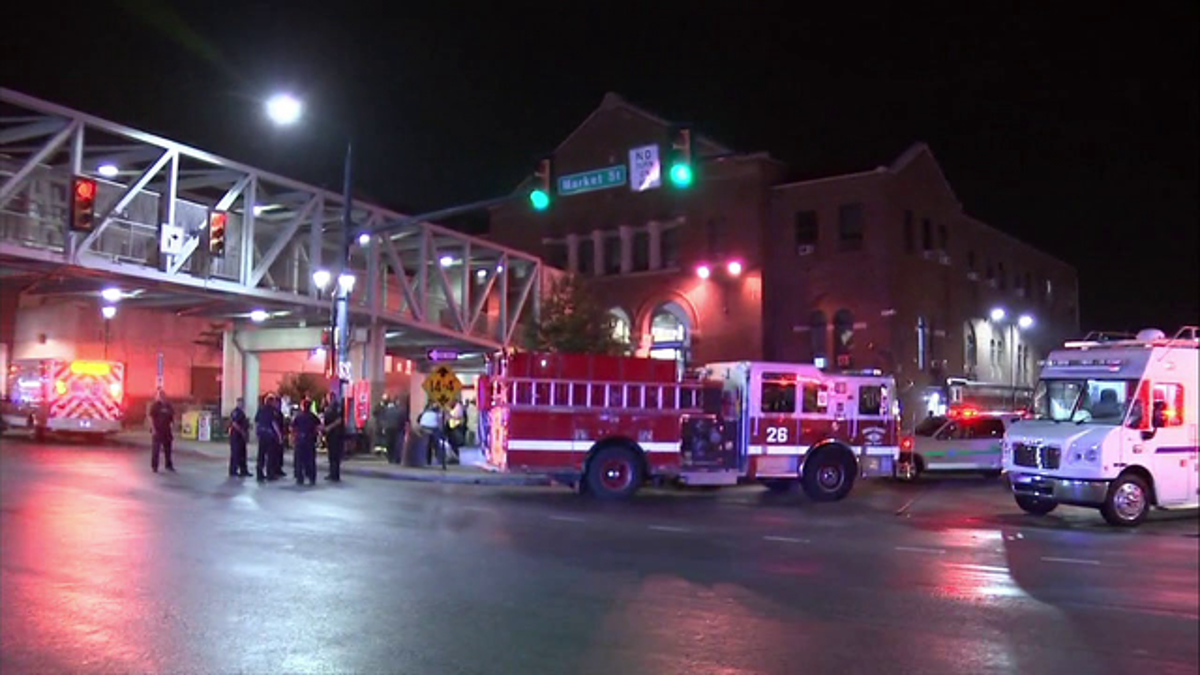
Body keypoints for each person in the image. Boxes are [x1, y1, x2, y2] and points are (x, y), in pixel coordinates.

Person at [291, 397, 320, 486]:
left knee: (299, 460)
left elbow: (293, 428)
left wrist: (293, 439)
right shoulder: (313, 417)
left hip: (300, 441)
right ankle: (311, 477)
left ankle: (300, 478)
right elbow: (318, 427)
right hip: (310, 441)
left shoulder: (298, 416)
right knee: (310, 460)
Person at [255, 394, 282, 482]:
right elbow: (274, 424)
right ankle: (270, 474)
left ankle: (259, 474)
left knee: (261, 455)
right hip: (269, 435)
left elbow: (257, 422)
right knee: (270, 455)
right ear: (271, 402)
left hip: (262, 434)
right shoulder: (272, 411)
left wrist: (257, 432)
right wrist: (279, 436)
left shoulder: (260, 410)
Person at [148, 389, 175, 473]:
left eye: (163, 395)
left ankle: (168, 465)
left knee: (168, 449)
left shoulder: (168, 405)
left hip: (167, 430)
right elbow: (151, 417)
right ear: (157, 397)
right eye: (160, 396)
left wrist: (173, 424)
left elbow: (172, 416)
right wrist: (153, 428)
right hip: (158, 430)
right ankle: (154, 466)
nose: (162, 397)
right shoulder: (155, 405)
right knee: (156, 449)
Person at [323, 391, 345, 481]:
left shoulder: (336, 407)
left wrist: (329, 427)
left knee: (335, 455)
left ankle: (335, 474)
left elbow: (339, 420)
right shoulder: (330, 407)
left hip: (336, 435)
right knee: (332, 455)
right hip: (331, 435)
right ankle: (332, 473)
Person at [228, 397, 251, 477]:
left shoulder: (241, 412)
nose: (241, 404)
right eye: (240, 403)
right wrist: (242, 432)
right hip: (236, 436)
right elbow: (234, 424)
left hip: (240, 437)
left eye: (242, 403)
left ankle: (243, 470)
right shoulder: (236, 412)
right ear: (238, 403)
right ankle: (233, 471)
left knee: (242, 454)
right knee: (235, 454)